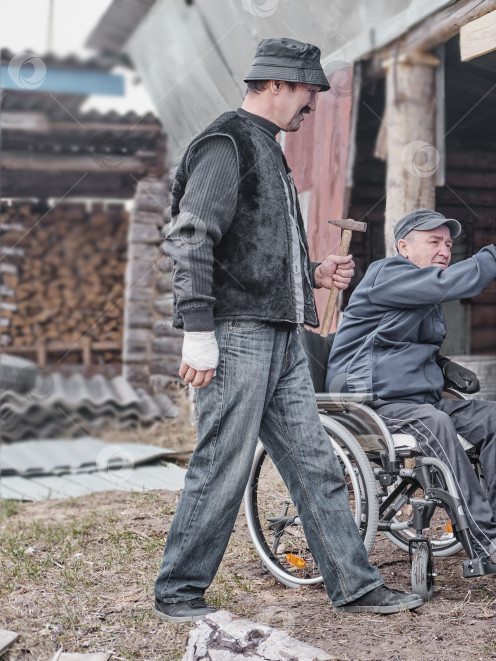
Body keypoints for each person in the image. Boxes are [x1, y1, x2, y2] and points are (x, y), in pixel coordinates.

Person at [153, 38, 422, 622]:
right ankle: (178, 592)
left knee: (316, 465)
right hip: (238, 334)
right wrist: (198, 330)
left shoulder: (268, 150)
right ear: (274, 84)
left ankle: (354, 586)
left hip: (279, 337)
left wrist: (313, 273)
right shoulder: (227, 144)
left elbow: (253, 250)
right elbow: (191, 237)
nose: (313, 103)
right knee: (223, 465)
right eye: (307, 91)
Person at [326, 209, 496, 573]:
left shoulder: (422, 292)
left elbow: (395, 345)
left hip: (416, 402)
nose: (444, 250)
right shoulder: (386, 274)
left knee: (495, 416)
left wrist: (442, 365)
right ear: (403, 246)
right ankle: (487, 542)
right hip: (370, 402)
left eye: (449, 244)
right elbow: (446, 283)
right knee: (434, 421)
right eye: (433, 241)